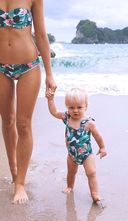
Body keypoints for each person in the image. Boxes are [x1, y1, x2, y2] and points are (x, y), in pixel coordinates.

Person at [0, 0, 57, 204]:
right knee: (7, 121)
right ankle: (14, 171)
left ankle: (20, 184)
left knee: (23, 124)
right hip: (1, 67)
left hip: (29, 65)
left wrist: (50, 74)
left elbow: (41, 35)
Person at [46, 88, 107, 203]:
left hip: (86, 154)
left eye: (79, 107)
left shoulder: (89, 123)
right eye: (71, 107)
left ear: (86, 106)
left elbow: (97, 136)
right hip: (72, 155)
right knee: (71, 173)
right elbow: (54, 112)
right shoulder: (67, 118)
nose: (75, 110)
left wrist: (102, 147)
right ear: (67, 107)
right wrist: (50, 100)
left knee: (91, 173)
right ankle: (70, 186)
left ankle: (95, 194)